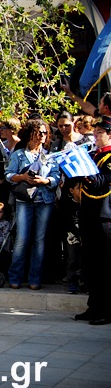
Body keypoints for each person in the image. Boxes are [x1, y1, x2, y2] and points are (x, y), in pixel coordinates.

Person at [5, 119, 60, 290]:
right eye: (39, 132)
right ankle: (15, 276)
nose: (43, 136)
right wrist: (23, 177)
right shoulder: (19, 154)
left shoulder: (49, 155)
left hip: (44, 200)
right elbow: (8, 175)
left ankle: (35, 278)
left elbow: (56, 176)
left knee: (40, 240)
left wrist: (45, 180)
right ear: (31, 133)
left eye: (45, 132)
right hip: (24, 200)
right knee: (22, 239)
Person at [75, 117, 111, 325]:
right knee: (90, 263)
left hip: (104, 216)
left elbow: (100, 180)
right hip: (89, 214)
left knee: (105, 265)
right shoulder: (93, 155)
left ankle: (107, 310)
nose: (95, 136)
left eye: (100, 133)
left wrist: (83, 168)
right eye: (95, 132)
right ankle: (94, 306)